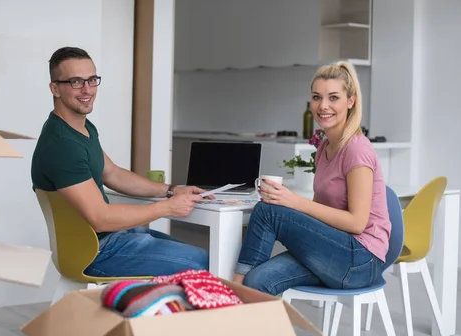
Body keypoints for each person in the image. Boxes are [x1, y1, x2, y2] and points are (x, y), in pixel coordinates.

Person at [31, 46, 210, 277]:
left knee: (197, 253)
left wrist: (172, 190)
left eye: (92, 80)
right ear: (55, 88)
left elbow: (112, 173)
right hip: (96, 251)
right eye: (76, 82)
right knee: (206, 262)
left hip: (110, 239)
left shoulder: (81, 128)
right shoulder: (62, 144)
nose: (87, 89)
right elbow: (100, 219)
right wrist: (167, 207)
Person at [232, 61, 391, 295]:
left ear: (351, 101)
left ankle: (230, 293)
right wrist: (289, 205)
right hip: (334, 249)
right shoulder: (324, 148)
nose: (323, 105)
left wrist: (293, 202)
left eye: (333, 98)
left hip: (360, 260)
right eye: (317, 97)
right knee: (257, 281)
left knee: (268, 211)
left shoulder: (357, 150)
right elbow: (319, 211)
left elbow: (357, 223)